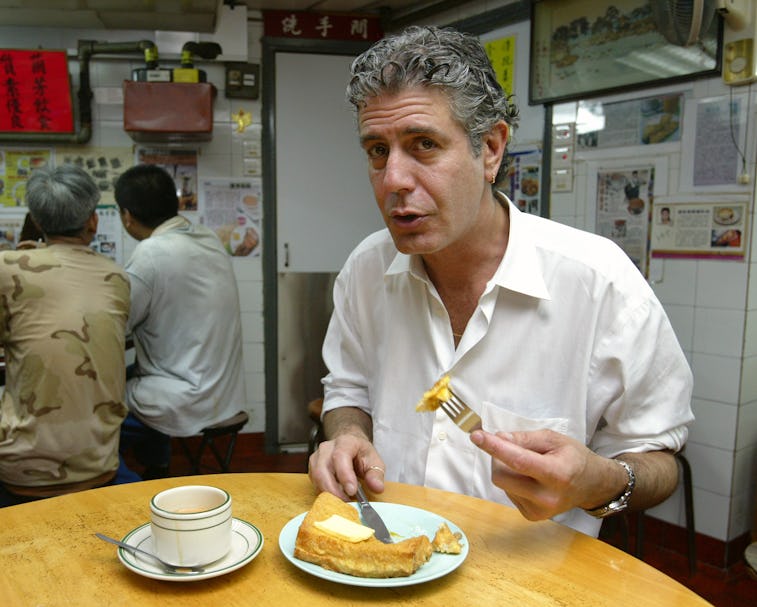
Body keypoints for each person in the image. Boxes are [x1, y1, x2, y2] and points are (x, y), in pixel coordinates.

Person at [307, 26, 694, 537]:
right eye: (377, 150)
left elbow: (658, 454)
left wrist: (602, 481)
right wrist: (347, 434)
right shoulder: (365, 270)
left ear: (490, 149)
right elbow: (347, 390)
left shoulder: (600, 284)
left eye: (424, 144)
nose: (393, 179)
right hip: (389, 557)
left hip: (530, 576)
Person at [0, 165, 138, 507]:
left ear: (37, 219)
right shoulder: (116, 277)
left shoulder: (7, 268)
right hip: (99, 460)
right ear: (93, 222)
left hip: (23, 468)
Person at [114, 164, 245, 478]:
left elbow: (118, 323)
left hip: (186, 398)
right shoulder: (207, 239)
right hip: (224, 393)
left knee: (95, 407)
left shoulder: (150, 253)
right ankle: (157, 466)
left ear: (127, 215)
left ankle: (126, 488)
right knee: (134, 372)